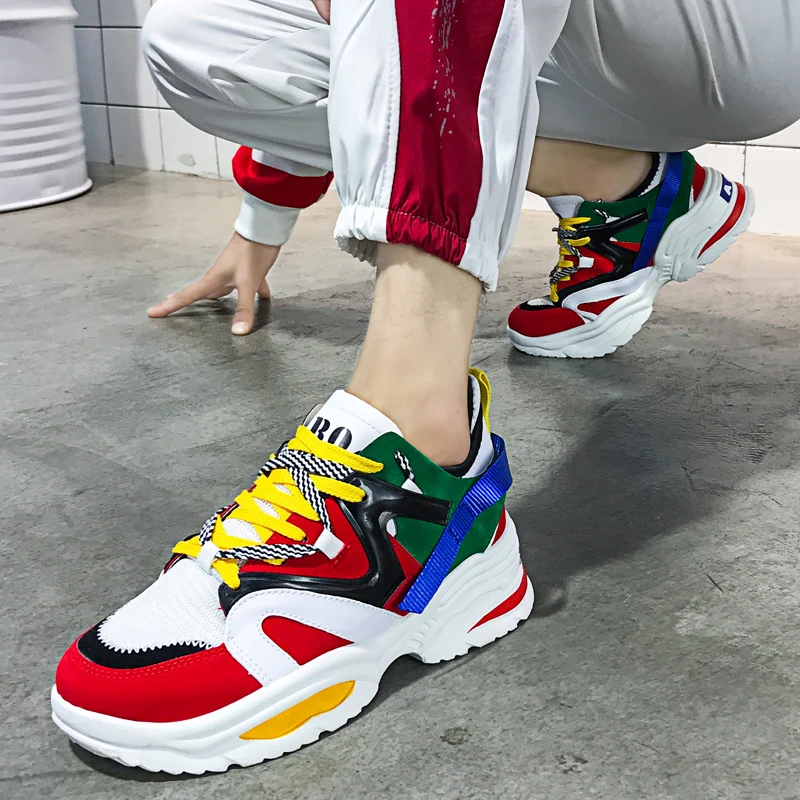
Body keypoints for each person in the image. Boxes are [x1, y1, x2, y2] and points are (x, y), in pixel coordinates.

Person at [51, 0, 800, 774]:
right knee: (197, 37)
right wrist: (260, 219)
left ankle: (414, 439)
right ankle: (630, 188)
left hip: (727, 37)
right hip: (547, 41)